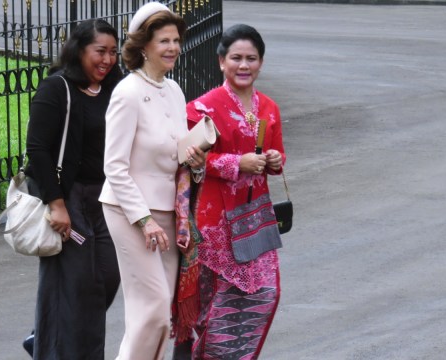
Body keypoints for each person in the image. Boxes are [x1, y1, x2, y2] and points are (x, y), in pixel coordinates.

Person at [99, 2, 205, 359]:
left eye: (176, 40)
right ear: (143, 46)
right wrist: (143, 220)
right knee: (153, 311)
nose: (173, 47)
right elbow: (114, 166)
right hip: (129, 211)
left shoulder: (174, 90)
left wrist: (195, 158)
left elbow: (174, 152)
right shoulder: (127, 93)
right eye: (164, 40)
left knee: (160, 316)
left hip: (168, 210)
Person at [181, 23, 286, 359]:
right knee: (218, 303)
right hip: (216, 223)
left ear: (261, 63)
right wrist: (236, 163)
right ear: (221, 62)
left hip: (257, 220)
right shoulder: (202, 108)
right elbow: (190, 160)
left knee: (266, 294)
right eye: (237, 58)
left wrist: (272, 158)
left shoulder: (269, 107)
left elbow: (280, 157)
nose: (244, 66)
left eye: (251, 59)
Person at [23, 19, 123, 359]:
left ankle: (44, 336)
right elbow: (37, 149)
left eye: (113, 52)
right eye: (100, 52)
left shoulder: (115, 88)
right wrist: (57, 203)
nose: (107, 60)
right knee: (80, 284)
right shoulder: (57, 88)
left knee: (108, 276)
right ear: (79, 51)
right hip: (71, 197)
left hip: (106, 197)